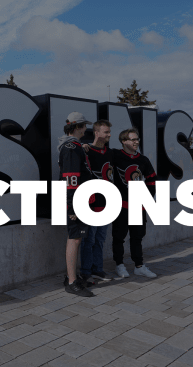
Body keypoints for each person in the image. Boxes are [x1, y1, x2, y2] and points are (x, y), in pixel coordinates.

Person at [111, 128, 158, 279]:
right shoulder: (115, 155)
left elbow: (151, 180)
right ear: (124, 141)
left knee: (137, 237)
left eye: (137, 139)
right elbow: (97, 153)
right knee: (119, 237)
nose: (136, 142)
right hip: (122, 206)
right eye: (133, 139)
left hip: (138, 206)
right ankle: (119, 265)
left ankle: (139, 266)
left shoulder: (143, 160)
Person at [58, 112, 95, 297]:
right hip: (75, 200)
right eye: (84, 126)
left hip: (77, 199)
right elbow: (70, 179)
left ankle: (72, 277)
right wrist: (72, 207)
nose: (86, 129)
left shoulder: (74, 146)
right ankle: (71, 281)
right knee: (75, 239)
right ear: (78, 127)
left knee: (77, 238)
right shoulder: (72, 147)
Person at [80, 120, 115, 281]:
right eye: (106, 132)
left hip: (107, 203)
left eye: (109, 132)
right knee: (89, 239)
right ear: (96, 133)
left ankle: (97, 268)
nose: (109, 134)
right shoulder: (86, 150)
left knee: (100, 239)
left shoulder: (110, 153)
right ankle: (86, 271)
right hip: (91, 203)